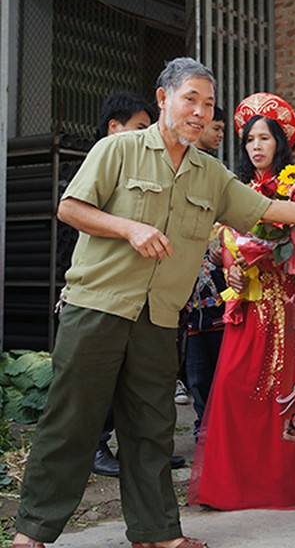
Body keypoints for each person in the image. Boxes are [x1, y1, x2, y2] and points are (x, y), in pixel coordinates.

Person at [12, 58, 295, 548]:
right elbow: (70, 207)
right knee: (70, 421)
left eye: (208, 104)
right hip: (97, 306)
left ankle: (156, 533)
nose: (201, 112)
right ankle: (32, 533)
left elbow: (267, 211)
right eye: (191, 99)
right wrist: (129, 227)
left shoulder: (210, 173)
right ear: (164, 100)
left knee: (152, 429)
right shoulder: (117, 149)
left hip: (159, 317)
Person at [188, 92, 295, 511]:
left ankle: (283, 487)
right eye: (250, 140)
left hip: (285, 304)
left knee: (284, 391)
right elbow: (218, 238)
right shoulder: (233, 189)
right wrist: (229, 263)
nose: (256, 146)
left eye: (265, 138)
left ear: (280, 142)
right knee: (235, 386)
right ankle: (231, 487)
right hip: (245, 304)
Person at [89, 92, 190, 478]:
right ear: (115, 128)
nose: (148, 136)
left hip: (147, 297)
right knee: (101, 382)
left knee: (142, 384)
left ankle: (141, 454)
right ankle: (96, 447)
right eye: (140, 128)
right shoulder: (107, 162)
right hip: (103, 295)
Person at [180, 105, 228, 440]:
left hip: (216, 289)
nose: (220, 133)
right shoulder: (180, 167)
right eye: (217, 126)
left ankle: (214, 426)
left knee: (217, 362)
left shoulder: (217, 173)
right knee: (196, 368)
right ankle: (202, 425)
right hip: (187, 291)